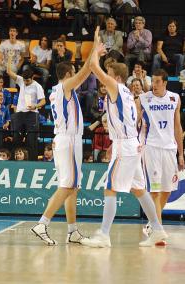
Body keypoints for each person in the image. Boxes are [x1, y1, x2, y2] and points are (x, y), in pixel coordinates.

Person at [81, 27, 167, 248]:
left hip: (126, 147)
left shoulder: (116, 87)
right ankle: (157, 230)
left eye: (108, 74)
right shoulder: (126, 91)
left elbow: (92, 67)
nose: (105, 79)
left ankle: (104, 235)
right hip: (129, 144)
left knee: (110, 187)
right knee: (139, 189)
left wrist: (95, 47)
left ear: (116, 77)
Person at [30, 41, 103, 246]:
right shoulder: (64, 87)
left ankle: (72, 231)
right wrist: (94, 53)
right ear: (69, 73)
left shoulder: (57, 90)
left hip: (66, 140)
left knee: (73, 187)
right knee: (66, 186)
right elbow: (86, 72)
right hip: (68, 140)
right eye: (74, 72)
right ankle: (42, 224)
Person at [138, 69, 184, 237]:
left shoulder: (175, 98)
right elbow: (135, 122)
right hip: (151, 148)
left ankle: (152, 222)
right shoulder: (143, 99)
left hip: (169, 149)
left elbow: (177, 127)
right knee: (155, 191)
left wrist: (180, 153)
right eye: (153, 82)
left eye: (157, 82)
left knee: (167, 190)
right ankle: (158, 230)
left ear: (165, 82)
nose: (154, 85)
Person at [7, 52, 46, 161]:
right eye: (24, 80)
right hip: (19, 114)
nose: (25, 82)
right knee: (16, 139)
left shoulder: (37, 86)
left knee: (31, 140)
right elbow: (9, 72)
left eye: (27, 80)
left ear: (32, 77)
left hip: (32, 114)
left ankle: (32, 162)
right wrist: (10, 58)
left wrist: (35, 106)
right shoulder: (21, 80)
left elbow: (43, 101)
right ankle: (15, 161)